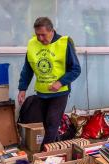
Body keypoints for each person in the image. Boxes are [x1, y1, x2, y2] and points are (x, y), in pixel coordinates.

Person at [18, 17, 81, 151]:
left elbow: (76, 69)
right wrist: (22, 88)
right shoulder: (32, 44)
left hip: (59, 93)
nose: (40, 38)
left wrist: (60, 82)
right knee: (45, 125)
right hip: (41, 93)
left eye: (43, 35)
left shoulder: (64, 43)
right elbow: (28, 68)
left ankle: (44, 155)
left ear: (51, 31)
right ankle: (55, 148)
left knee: (52, 123)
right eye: (37, 35)